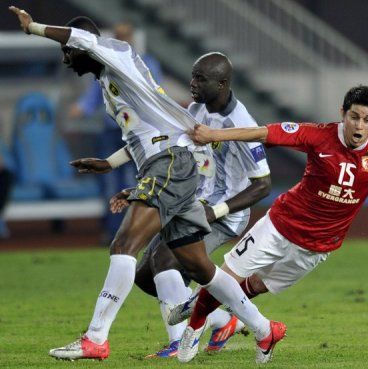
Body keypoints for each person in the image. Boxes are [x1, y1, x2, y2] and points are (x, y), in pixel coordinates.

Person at [8, 6, 284, 364]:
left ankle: (96, 338)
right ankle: (263, 329)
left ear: (85, 47)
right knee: (194, 268)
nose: (65, 60)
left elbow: (84, 39)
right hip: (176, 169)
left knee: (125, 244)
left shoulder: (118, 53)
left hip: (174, 169)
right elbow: (154, 135)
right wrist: (111, 163)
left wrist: (34, 28)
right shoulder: (110, 82)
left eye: (67, 52)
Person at [167, 85, 368, 362]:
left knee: (254, 287)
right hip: (279, 226)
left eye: (367, 119)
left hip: (318, 246)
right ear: (343, 114)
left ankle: (201, 304)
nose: (359, 125)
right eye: (354, 117)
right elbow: (263, 132)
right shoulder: (318, 135)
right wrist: (213, 135)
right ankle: (194, 327)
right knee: (229, 275)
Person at [109, 52, 272, 358]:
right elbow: (161, 142)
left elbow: (263, 184)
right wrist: (114, 166)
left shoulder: (240, 124)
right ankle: (225, 321)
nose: (192, 83)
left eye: (200, 78)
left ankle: (179, 343)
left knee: (166, 261)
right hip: (190, 203)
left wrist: (217, 211)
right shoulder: (196, 109)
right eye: (193, 76)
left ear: (222, 83)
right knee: (146, 278)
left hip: (224, 213)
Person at [68, 22, 162, 244]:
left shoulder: (146, 64)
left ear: (131, 38)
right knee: (109, 184)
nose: (122, 40)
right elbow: (95, 93)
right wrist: (82, 107)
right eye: (119, 36)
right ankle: (112, 232)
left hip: (139, 135)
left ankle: (138, 231)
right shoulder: (105, 62)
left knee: (139, 182)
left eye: (125, 36)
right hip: (112, 133)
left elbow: (155, 95)